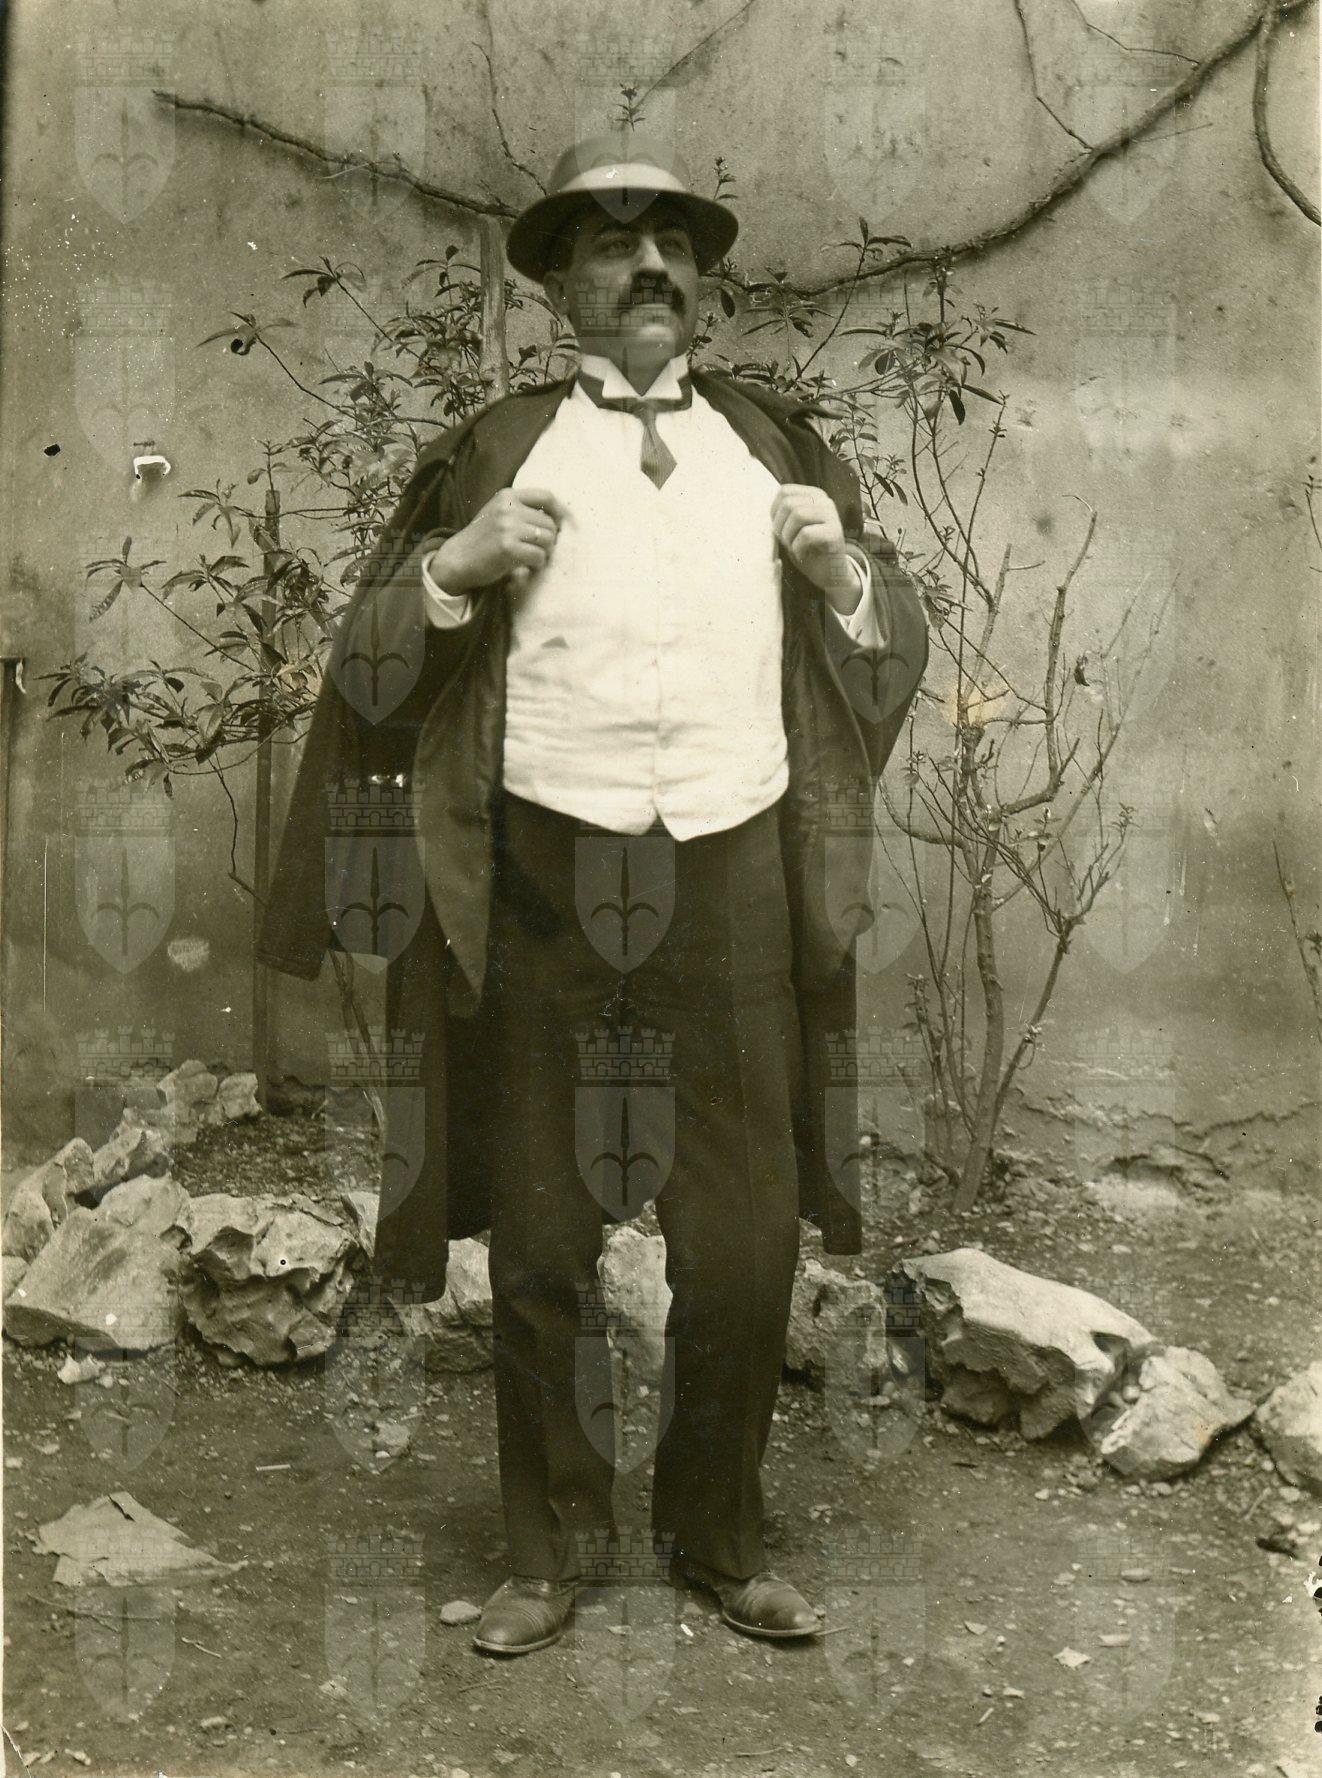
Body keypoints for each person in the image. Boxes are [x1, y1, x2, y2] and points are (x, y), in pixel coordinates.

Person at [258, 135, 929, 1657]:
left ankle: (718, 1536)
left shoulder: (773, 448)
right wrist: (451, 570)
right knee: (547, 1237)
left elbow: (888, 653)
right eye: (614, 245)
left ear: (702, 282)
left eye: (672, 244)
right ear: (560, 287)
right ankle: (547, 1549)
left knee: (745, 1237)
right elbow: (369, 672)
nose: (649, 268)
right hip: (543, 880)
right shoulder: (496, 452)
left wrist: (839, 573)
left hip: (731, 874)